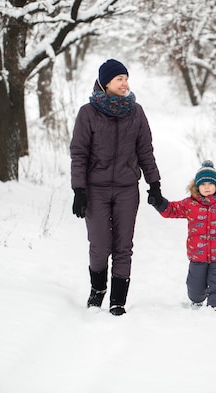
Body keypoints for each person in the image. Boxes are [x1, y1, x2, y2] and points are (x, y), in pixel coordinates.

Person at [70, 58, 165, 316]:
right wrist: (79, 190)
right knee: (100, 245)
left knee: (124, 245)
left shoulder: (136, 112)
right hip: (95, 189)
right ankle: (98, 290)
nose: (125, 83)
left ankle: (118, 300)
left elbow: (145, 150)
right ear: (106, 83)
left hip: (126, 189)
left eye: (126, 78)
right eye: (119, 79)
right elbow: (79, 153)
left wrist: (154, 183)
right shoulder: (88, 113)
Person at [148, 160, 216, 313]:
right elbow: (171, 210)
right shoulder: (189, 204)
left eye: (210, 184)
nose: (206, 187)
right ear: (196, 186)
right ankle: (196, 299)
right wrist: (159, 202)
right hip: (197, 254)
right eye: (203, 184)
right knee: (195, 286)